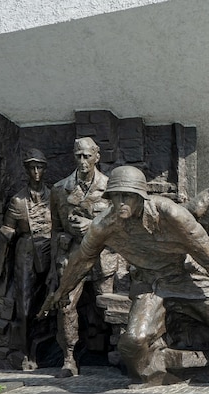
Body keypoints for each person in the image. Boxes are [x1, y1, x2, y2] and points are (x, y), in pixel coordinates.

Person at [40, 165, 209, 384]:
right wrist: (60, 292)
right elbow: (81, 260)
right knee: (133, 342)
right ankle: (163, 368)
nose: (120, 203)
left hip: (185, 275)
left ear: (141, 197)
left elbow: (206, 251)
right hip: (149, 283)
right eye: (115, 196)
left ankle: (186, 339)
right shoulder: (104, 225)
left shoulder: (170, 213)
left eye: (127, 196)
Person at [47, 137, 121, 378]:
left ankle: (121, 352)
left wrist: (92, 225)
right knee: (65, 305)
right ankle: (68, 358)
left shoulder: (111, 189)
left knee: (110, 303)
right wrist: (55, 261)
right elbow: (56, 229)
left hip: (103, 255)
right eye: (78, 156)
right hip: (73, 255)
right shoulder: (59, 189)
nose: (82, 161)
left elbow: (120, 226)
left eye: (87, 156)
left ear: (97, 156)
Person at [0, 148, 52, 370]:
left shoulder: (54, 195)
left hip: (50, 252)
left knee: (51, 302)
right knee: (24, 305)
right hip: (25, 252)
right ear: (27, 170)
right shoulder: (18, 200)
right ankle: (27, 354)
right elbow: (7, 234)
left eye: (40, 167)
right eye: (32, 167)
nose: (36, 171)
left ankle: (50, 348)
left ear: (45, 169)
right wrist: (0, 264)